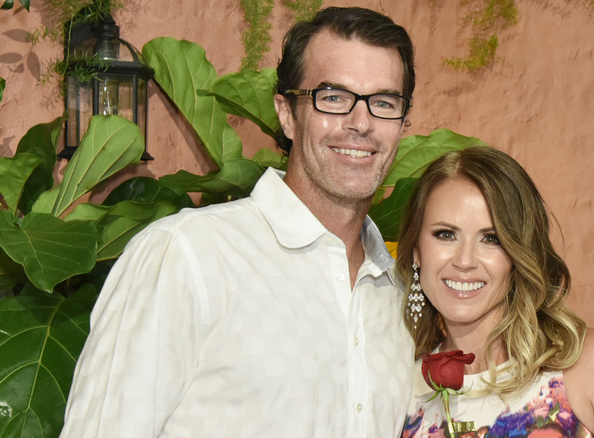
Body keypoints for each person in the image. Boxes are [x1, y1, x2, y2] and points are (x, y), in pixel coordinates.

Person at [61, 7, 416, 437]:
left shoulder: (402, 294)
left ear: (402, 124)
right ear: (286, 113)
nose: (361, 123)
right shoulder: (186, 257)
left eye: (383, 103)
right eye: (334, 98)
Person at [395, 147, 594, 437]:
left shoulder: (587, 364)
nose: (464, 261)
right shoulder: (399, 389)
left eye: (491, 238)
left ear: (519, 254)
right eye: (446, 234)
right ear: (417, 250)